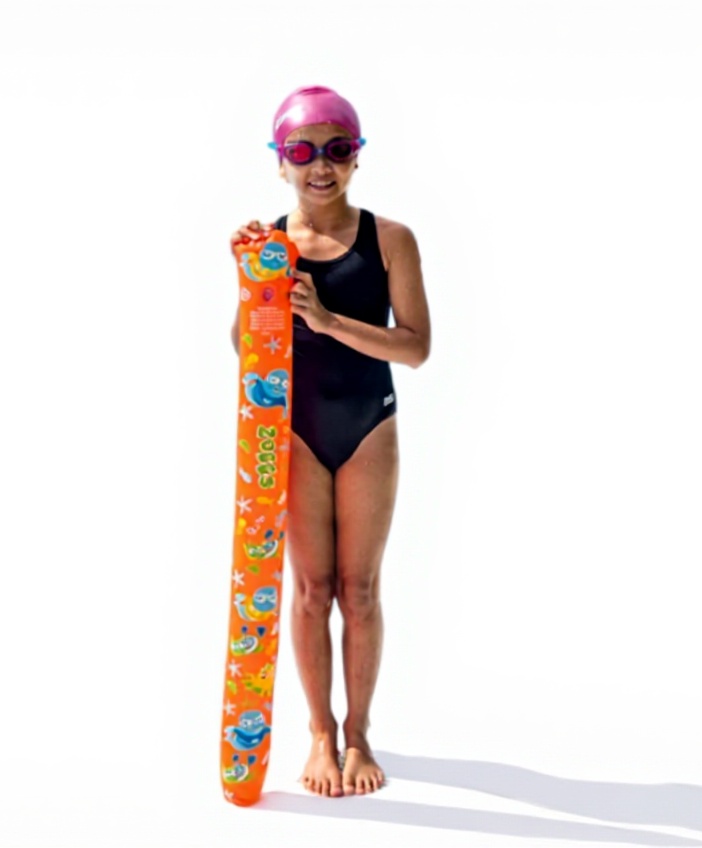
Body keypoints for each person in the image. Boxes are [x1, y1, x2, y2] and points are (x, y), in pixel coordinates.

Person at [228, 85, 431, 798]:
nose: (321, 166)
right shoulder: (271, 246)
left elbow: (416, 348)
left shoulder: (391, 240)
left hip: (368, 423)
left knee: (360, 589)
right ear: (280, 160)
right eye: (304, 151)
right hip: (298, 432)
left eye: (337, 150)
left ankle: (358, 733)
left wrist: (327, 321)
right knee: (312, 590)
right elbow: (246, 352)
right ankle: (319, 733)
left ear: (357, 157)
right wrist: (252, 281)